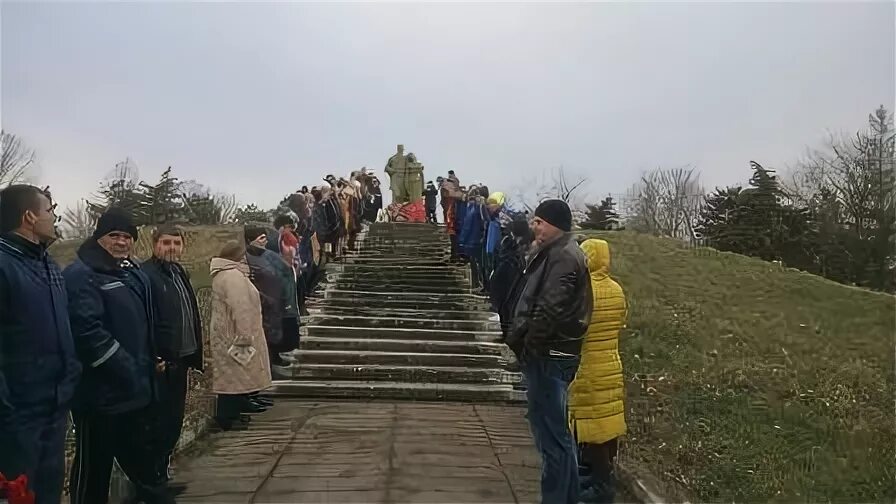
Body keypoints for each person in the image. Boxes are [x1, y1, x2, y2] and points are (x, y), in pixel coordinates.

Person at [63, 207, 171, 504]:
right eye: (114, 235)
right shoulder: (82, 275)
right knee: (93, 473)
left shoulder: (130, 272)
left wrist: (152, 358)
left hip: (135, 391)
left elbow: (141, 322)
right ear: (99, 237)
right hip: (100, 395)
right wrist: (129, 368)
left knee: (143, 467)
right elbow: (88, 333)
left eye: (127, 236)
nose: (122, 242)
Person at [506, 199, 593, 504]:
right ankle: (566, 498)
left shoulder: (564, 257)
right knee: (556, 435)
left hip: (550, 355)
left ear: (554, 224)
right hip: (550, 353)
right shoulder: (555, 253)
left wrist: (529, 347)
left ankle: (556, 499)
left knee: (552, 438)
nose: (534, 227)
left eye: (539, 222)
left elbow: (550, 307)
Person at [0, 185, 81, 504]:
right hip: (17, 415)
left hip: (55, 406)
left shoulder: (48, 265)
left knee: (47, 493)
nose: (54, 217)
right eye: (49, 210)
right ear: (29, 216)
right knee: (19, 494)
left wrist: (71, 375)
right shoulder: (5, 266)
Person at [141, 225, 204, 487]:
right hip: (162, 363)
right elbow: (144, 320)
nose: (171, 248)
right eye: (166, 243)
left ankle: (162, 472)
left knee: (173, 421)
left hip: (182, 359)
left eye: (176, 243)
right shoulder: (146, 275)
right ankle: (151, 480)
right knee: (157, 424)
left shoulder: (179, 272)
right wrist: (154, 354)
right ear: (155, 244)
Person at [568, 239, 627, 504]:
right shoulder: (616, 289)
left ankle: (600, 486)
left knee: (590, 425)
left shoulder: (582, 290)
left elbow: (573, 327)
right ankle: (598, 478)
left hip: (588, 366)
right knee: (605, 427)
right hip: (610, 364)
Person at [209, 241, 272, 431]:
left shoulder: (228, 274)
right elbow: (241, 307)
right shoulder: (232, 277)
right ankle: (226, 419)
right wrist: (244, 336)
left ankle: (234, 413)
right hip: (234, 336)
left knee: (234, 376)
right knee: (231, 379)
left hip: (227, 335)